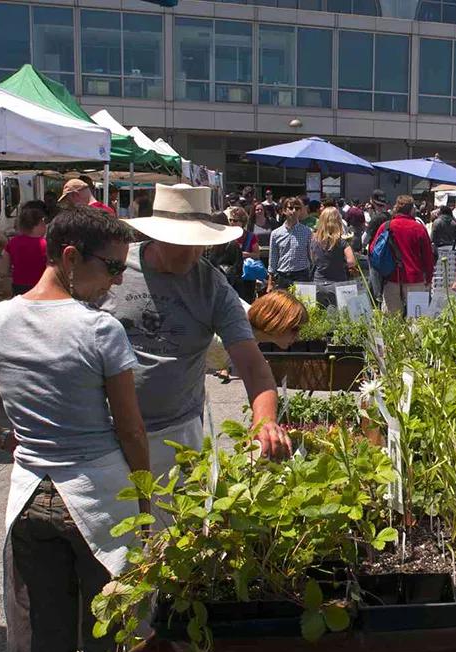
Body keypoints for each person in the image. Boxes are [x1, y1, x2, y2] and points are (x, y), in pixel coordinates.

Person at [0, 206, 149, 652]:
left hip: (29, 497)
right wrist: (146, 499)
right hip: (99, 498)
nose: (116, 280)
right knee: (108, 637)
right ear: (70, 257)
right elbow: (130, 430)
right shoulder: (100, 330)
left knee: (41, 640)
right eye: (112, 266)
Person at [104, 183, 291, 482]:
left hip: (175, 435)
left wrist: (265, 422)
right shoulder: (114, 268)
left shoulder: (213, 286)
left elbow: (254, 367)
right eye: (182, 242)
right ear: (157, 236)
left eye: (201, 243)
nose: (193, 254)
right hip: (105, 433)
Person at [369, 195, 434, 315]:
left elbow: (373, 250)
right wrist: (429, 278)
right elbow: (428, 257)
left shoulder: (386, 226)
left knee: (393, 320)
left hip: (392, 277)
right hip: (415, 279)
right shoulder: (419, 228)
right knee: (417, 319)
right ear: (412, 210)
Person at [311, 207, 357, 308]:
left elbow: (312, 259)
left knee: (319, 317)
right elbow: (351, 262)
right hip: (338, 284)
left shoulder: (314, 240)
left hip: (318, 283)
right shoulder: (342, 242)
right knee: (337, 319)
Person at [0, 206, 48, 296]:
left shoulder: (12, 243)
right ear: (39, 223)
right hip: (42, 287)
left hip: (19, 288)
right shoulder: (46, 245)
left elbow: (3, 271)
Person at [268, 197, 313, 290]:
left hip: (301, 274)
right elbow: (273, 258)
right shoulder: (276, 233)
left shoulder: (307, 232)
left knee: (302, 303)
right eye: (291, 208)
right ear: (284, 211)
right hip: (283, 275)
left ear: (300, 211)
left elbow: (311, 255)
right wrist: (270, 282)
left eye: (297, 208)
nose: (294, 211)